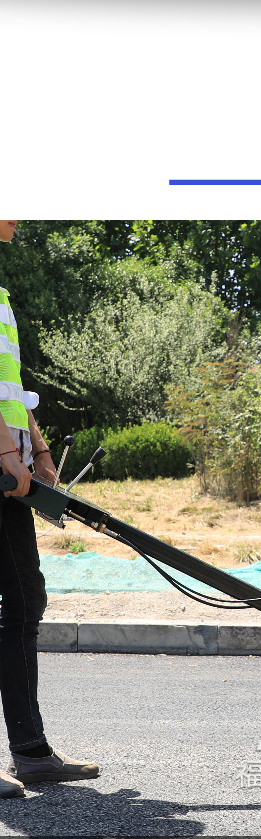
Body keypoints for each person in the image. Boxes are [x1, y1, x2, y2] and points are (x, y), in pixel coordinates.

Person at [0, 219, 99, 797]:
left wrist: (36, 449)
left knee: (23, 600)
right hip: (2, 464)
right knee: (16, 602)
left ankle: (32, 752)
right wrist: (7, 455)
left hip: (10, 468)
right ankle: (30, 751)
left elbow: (9, 387)